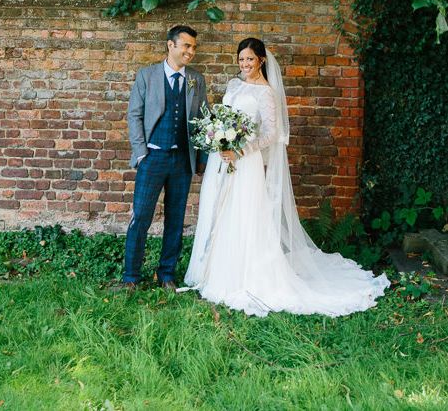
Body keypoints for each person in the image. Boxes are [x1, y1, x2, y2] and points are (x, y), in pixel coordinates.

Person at [180, 37, 389, 316]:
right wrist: (219, 140)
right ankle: (214, 271)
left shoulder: (266, 93)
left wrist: (239, 150)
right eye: (241, 59)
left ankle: (245, 278)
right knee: (219, 210)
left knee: (244, 215)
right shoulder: (232, 85)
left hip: (245, 162)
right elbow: (225, 117)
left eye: (250, 59)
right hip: (223, 158)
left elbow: (270, 134)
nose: (244, 64)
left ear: (261, 61)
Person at [122, 25, 209, 290]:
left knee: (176, 219)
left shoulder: (196, 79)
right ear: (171, 46)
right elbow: (134, 115)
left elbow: (204, 120)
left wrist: (202, 157)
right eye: (186, 46)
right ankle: (131, 277)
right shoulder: (147, 75)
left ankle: (167, 274)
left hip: (183, 161)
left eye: (193, 47)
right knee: (141, 218)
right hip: (153, 158)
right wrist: (141, 154)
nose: (191, 52)